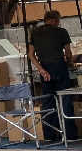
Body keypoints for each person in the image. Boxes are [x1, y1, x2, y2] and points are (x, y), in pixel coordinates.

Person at [28, 10, 77, 142]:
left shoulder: (35, 33)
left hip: (45, 70)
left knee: (48, 103)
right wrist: (71, 63)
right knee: (65, 100)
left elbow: (31, 55)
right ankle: (69, 135)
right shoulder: (61, 32)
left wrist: (41, 70)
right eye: (58, 20)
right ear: (55, 20)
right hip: (60, 68)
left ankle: (50, 136)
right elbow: (67, 52)